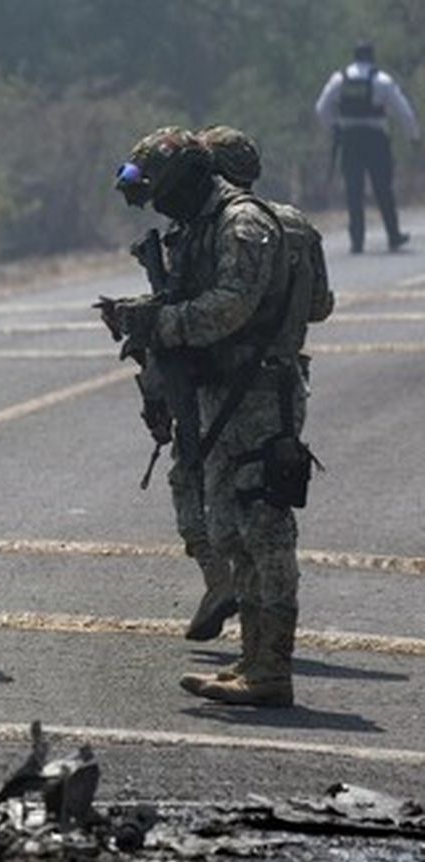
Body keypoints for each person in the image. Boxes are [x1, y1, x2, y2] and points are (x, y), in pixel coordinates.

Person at [106, 128, 329, 706]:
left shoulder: (243, 224)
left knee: (266, 532)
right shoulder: (203, 226)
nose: (156, 204)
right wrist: (144, 314)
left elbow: (232, 305)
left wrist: (163, 323)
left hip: (258, 394)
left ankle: (272, 668)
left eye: (161, 192)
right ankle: (254, 660)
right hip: (220, 392)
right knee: (231, 532)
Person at [315, 41, 420, 253]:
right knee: (383, 188)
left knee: (353, 190)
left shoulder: (339, 79)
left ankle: (357, 240)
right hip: (375, 140)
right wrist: (414, 137)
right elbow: (403, 112)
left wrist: (336, 126)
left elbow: (321, 109)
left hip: (350, 140)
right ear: (372, 57)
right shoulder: (382, 80)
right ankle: (393, 235)